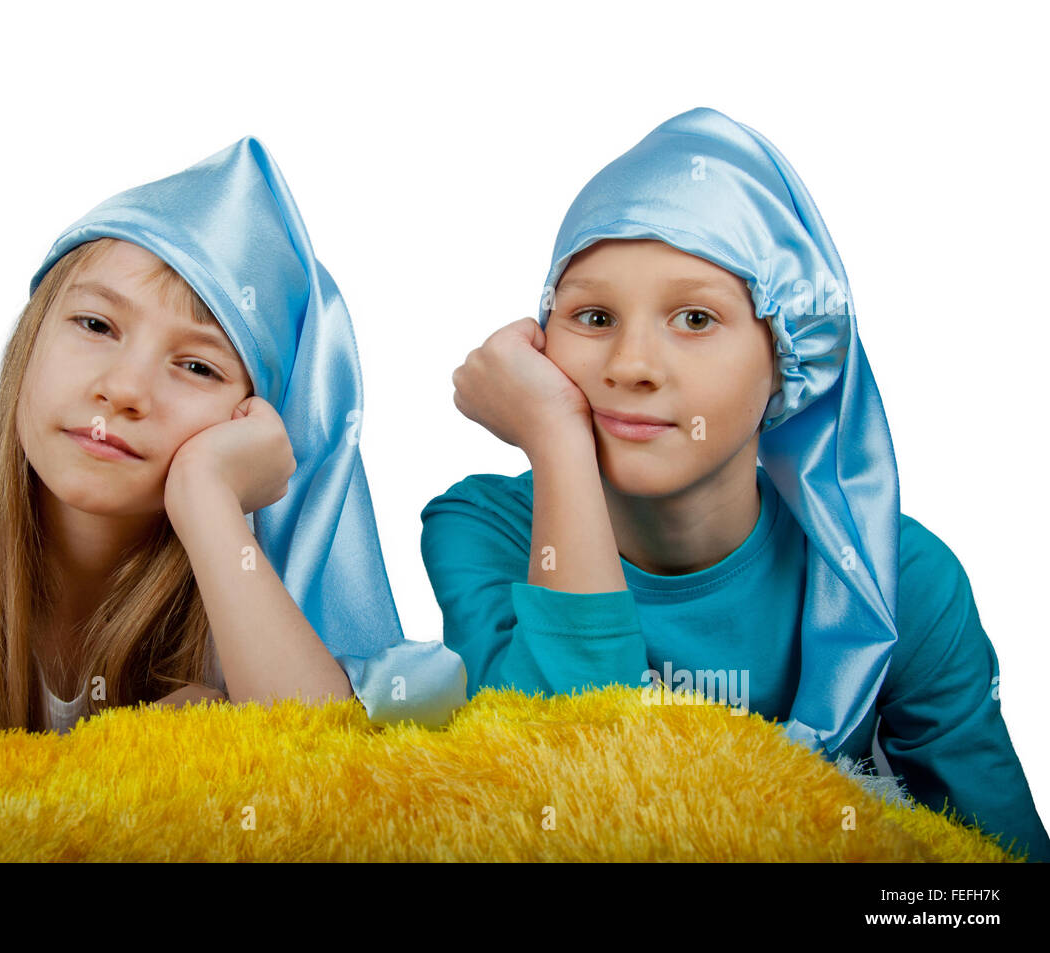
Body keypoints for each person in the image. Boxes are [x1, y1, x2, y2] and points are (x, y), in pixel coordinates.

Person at [0, 136, 466, 820]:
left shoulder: (250, 605)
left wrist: (207, 498)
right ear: (29, 343)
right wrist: (114, 760)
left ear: (254, 427)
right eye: (96, 324)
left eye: (197, 366)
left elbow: (337, 792)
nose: (124, 387)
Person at [420, 107, 1049, 861]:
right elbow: (559, 778)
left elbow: (1001, 874)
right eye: (592, 315)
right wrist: (556, 439)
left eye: (693, 317)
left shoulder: (898, 579)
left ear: (789, 356)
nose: (631, 365)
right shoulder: (482, 527)